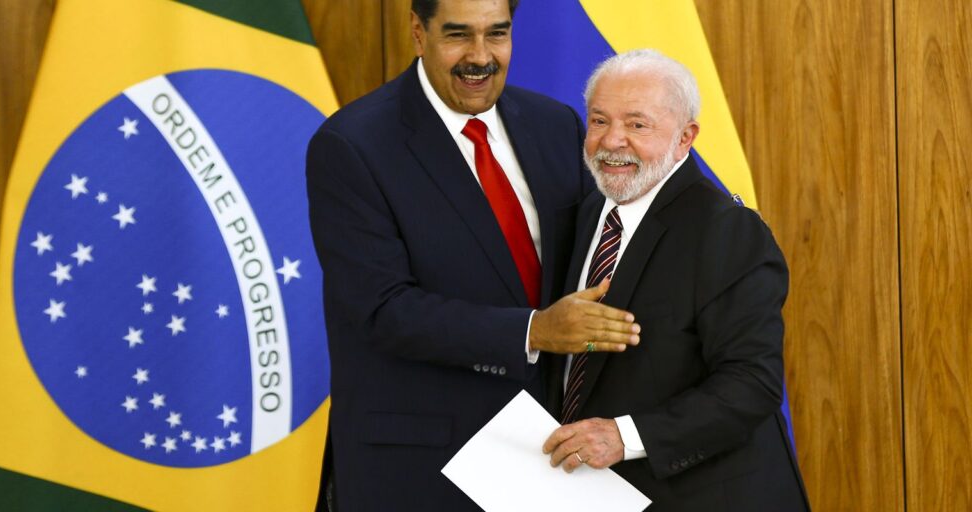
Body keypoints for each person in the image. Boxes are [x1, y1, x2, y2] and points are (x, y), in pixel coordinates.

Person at [306, 1, 639, 509]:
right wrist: (534, 331)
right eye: (458, 36)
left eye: (497, 34)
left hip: (552, 455)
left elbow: (600, 249)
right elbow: (382, 309)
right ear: (419, 33)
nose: (480, 57)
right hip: (422, 467)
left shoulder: (555, 125)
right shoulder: (353, 145)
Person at [542, 49, 810, 510]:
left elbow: (752, 383)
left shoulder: (728, 230)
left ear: (686, 138)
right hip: (591, 492)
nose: (613, 142)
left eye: (637, 124)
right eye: (600, 121)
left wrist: (625, 436)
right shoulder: (585, 214)